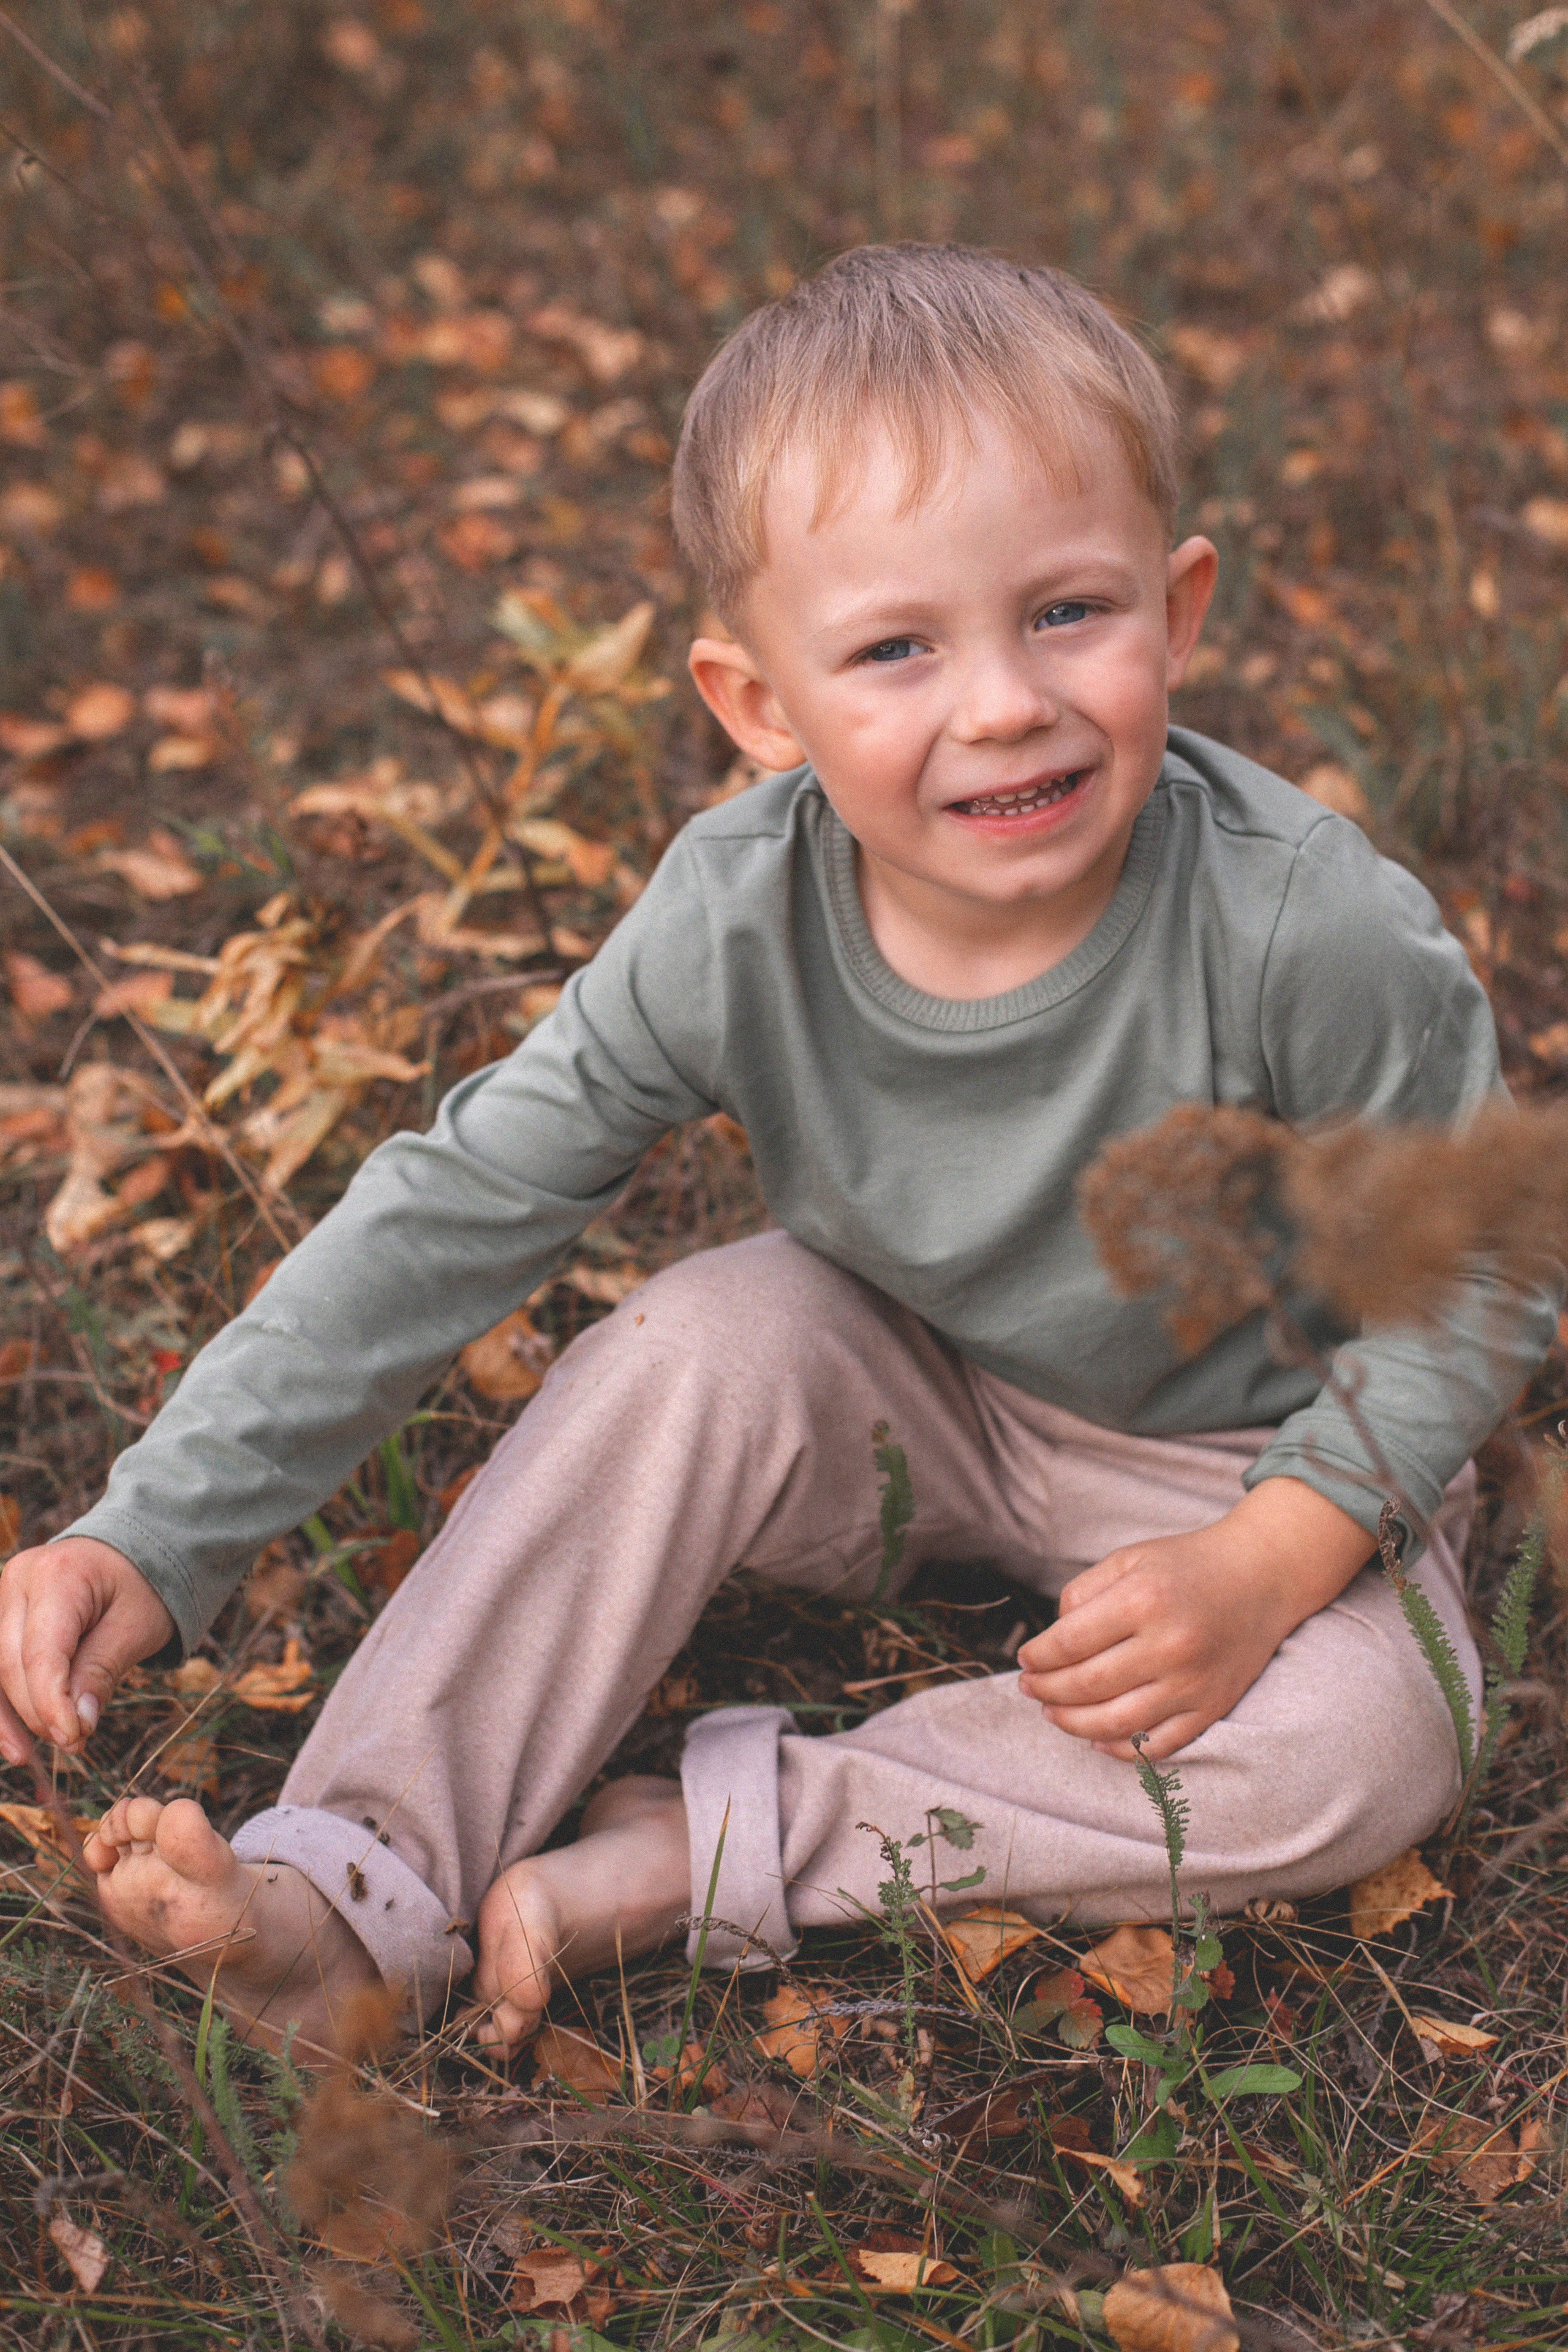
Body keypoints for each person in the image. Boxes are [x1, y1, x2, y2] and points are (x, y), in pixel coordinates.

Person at [0, 246, 1555, 2065]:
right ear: (758, 706)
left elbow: (1481, 1277)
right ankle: (359, 1890)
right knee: (689, 1346)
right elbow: (454, 1206)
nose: (1001, 704)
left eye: (1069, 612)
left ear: (1179, 607)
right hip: (910, 1384)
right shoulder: (735, 918)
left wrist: (1277, 1559)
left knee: (1378, 1739)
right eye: (897, 648)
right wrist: (154, 1525)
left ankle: (724, 1843)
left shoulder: (1302, 927)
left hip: (1254, 1457)